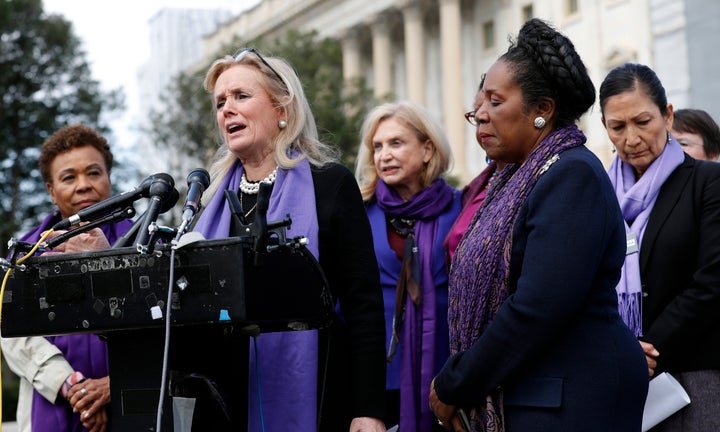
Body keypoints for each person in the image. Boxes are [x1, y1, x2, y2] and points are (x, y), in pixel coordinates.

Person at [429, 18, 648, 431]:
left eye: (495, 101)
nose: (480, 114)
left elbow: (538, 308)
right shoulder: (510, 180)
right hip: (534, 391)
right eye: (479, 103)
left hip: (572, 396)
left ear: (542, 111)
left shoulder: (571, 175)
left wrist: (456, 382)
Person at [191, 48, 386, 431]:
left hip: (319, 393)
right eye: (220, 102)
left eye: (241, 96)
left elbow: (364, 305)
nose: (226, 109)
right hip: (226, 400)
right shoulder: (210, 201)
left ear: (282, 109)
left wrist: (369, 408)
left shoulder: (330, 184)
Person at [599, 62, 720, 431]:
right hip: (616, 377)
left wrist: (647, 348)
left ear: (667, 116)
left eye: (642, 121)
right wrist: (621, 351)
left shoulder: (705, 182)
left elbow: (712, 279)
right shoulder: (598, 193)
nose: (631, 138)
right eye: (617, 127)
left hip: (692, 374)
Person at [1, 124, 133, 432]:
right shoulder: (25, 251)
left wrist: (113, 384)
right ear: (51, 189)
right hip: (51, 408)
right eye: (69, 177)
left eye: (94, 173)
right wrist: (73, 386)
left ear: (109, 178)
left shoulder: (143, 242)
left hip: (130, 400)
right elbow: (14, 336)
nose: (84, 185)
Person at [354, 101, 460, 432]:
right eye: (377, 146)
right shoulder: (358, 211)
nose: (384, 155)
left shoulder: (463, 208)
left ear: (427, 149)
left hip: (448, 378)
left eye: (396, 143)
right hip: (377, 383)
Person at [444, 83, 507, 263]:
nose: (481, 117)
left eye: (494, 104)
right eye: (476, 112)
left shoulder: (532, 180)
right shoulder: (476, 187)